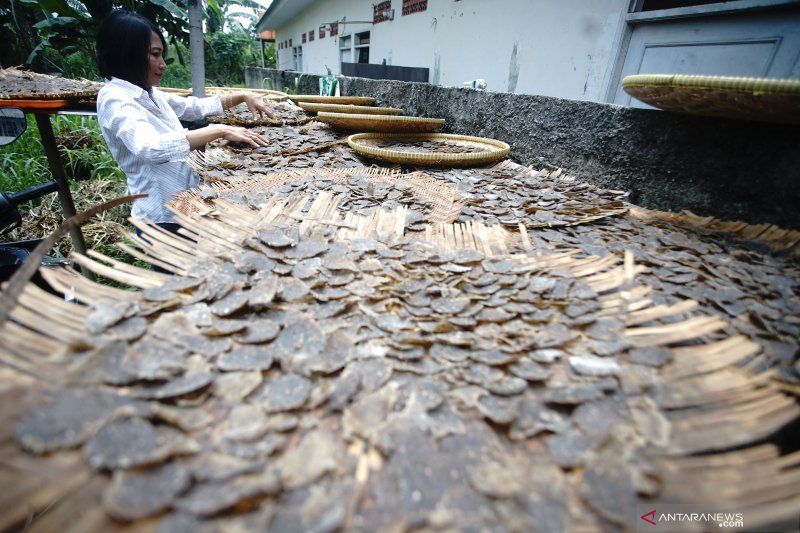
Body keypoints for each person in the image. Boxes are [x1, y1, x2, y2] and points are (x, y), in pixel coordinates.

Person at [96, 9, 272, 236]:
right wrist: (218, 130)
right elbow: (151, 147)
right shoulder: (114, 98)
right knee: (175, 271)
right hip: (162, 218)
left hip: (185, 205)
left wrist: (242, 96)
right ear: (127, 54)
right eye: (155, 54)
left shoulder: (150, 93)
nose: (162, 64)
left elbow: (194, 107)